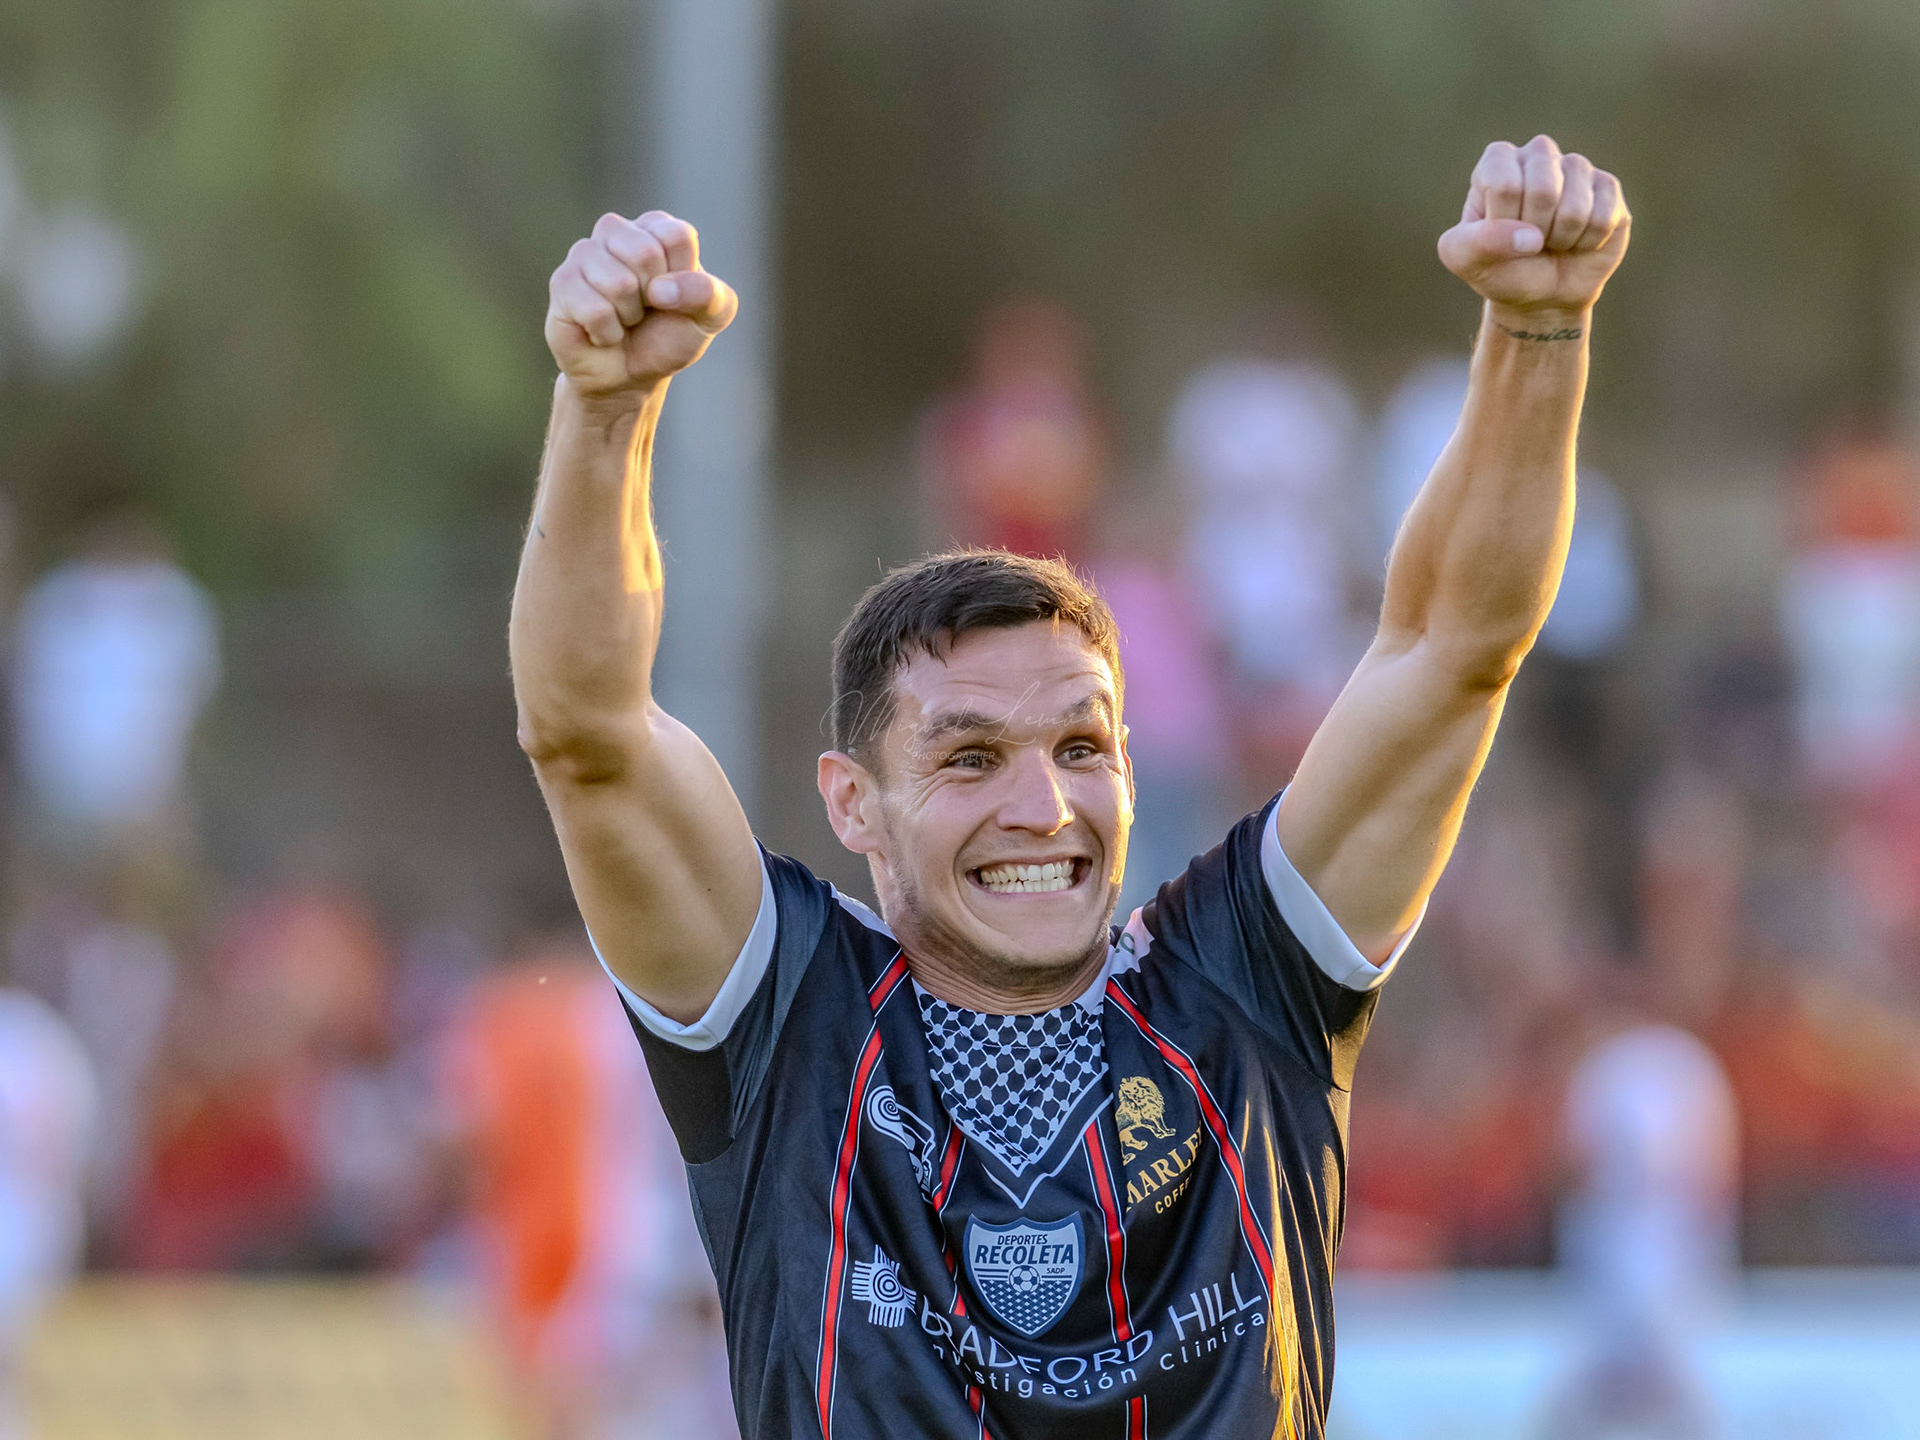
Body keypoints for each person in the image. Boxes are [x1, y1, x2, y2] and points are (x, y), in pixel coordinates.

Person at [510, 134, 1631, 1439]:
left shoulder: (1245, 991)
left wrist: (1539, 337)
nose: (1042, 807)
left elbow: (1451, 655)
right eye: (970, 757)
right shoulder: (790, 1030)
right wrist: (602, 409)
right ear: (852, 802)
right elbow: (587, 731)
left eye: (1082, 748)